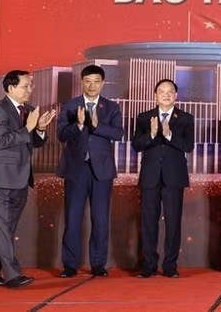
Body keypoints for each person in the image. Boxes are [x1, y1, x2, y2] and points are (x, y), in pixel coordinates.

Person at [0, 70, 55, 288]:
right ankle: (13, 275)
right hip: (0, 180)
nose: (30, 89)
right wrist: (28, 128)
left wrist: (39, 129)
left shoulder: (30, 111)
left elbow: (36, 143)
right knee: (3, 228)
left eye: (31, 85)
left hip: (21, 180)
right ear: (11, 88)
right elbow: (1, 140)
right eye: (26, 86)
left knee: (6, 228)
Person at [57, 64, 123, 277]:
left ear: (102, 83)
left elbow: (118, 134)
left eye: (96, 81)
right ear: (82, 82)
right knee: (73, 218)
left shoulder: (111, 107)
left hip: (101, 170)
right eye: (88, 81)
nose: (92, 85)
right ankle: (69, 265)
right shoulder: (70, 105)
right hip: (76, 169)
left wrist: (96, 125)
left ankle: (98, 265)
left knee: (100, 218)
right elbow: (61, 134)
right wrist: (77, 125)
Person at [132, 79, 194, 278]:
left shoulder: (185, 118)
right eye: (161, 91)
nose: (166, 95)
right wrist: (151, 134)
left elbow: (188, 146)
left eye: (170, 92)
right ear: (155, 95)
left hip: (174, 176)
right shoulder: (144, 117)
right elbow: (136, 145)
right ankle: (149, 264)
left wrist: (169, 135)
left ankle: (170, 265)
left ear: (176, 95)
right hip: (150, 176)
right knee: (148, 221)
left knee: (173, 222)